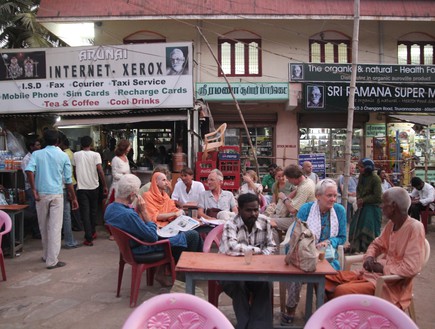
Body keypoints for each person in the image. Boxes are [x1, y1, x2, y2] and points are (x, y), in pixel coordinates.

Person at [325, 187, 425, 312]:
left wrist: (382, 268)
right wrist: (369, 257)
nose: (381, 206)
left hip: (389, 285)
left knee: (341, 290)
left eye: (384, 203)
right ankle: (338, 315)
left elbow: (411, 268)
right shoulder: (392, 223)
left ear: (393, 206)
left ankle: (344, 317)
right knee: (325, 278)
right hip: (370, 275)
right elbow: (376, 244)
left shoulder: (415, 228)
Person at [104, 174, 202, 286]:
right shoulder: (128, 214)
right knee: (192, 236)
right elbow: (152, 237)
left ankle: (180, 272)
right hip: (142, 248)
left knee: (184, 235)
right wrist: (144, 212)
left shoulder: (110, 208)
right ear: (132, 195)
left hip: (131, 247)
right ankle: (186, 274)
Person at [281, 179, 347, 325]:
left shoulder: (339, 210)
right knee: (295, 276)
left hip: (327, 256)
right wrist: (310, 244)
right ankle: (290, 310)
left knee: (329, 278)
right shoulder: (306, 209)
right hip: (304, 253)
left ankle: (325, 313)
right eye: (329, 196)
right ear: (318, 196)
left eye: (335, 196)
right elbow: (297, 233)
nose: (333, 199)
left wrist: (329, 242)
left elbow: (342, 237)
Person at [219, 193, 276, 329]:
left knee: (265, 284)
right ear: (239, 210)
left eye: (256, 209)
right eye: (248, 210)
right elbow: (231, 248)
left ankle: (258, 326)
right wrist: (257, 251)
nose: (253, 213)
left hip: (255, 272)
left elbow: (272, 247)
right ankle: (245, 325)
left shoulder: (265, 222)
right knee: (239, 285)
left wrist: (255, 255)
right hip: (228, 272)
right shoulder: (230, 224)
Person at [25, 129, 78, 270]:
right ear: (58, 142)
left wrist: (34, 190)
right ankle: (52, 260)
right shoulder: (63, 156)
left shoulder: (36, 154)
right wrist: (73, 198)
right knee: (54, 227)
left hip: (41, 194)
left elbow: (29, 170)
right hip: (57, 194)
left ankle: (46, 255)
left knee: (43, 226)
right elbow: (68, 181)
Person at [73, 136, 108, 246]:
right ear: (91, 144)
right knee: (93, 211)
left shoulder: (76, 155)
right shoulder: (96, 155)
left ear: (81, 144)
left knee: (85, 212)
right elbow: (100, 170)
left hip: (82, 188)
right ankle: (92, 233)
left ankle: (89, 237)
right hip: (94, 186)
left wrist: (78, 179)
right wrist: (105, 185)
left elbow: (74, 170)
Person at [271, 164, 316, 245]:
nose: (288, 181)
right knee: (273, 217)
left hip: (301, 221)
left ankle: (276, 249)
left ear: (294, 178)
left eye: (288, 179)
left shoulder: (304, 188)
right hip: (303, 217)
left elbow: (293, 210)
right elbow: (294, 194)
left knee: (270, 222)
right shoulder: (307, 181)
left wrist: (284, 198)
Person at [349, 158, 382, 253]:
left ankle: (370, 249)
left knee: (368, 226)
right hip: (361, 205)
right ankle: (357, 247)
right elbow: (358, 189)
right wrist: (359, 198)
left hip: (372, 207)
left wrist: (364, 200)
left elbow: (377, 197)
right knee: (355, 225)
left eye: (361, 167)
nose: (359, 169)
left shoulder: (376, 179)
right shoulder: (361, 176)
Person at [58, 135, 81, 250]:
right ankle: (69, 240)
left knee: (64, 215)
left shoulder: (65, 154)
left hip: (65, 186)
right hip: (69, 184)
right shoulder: (68, 153)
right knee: (67, 214)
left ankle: (59, 241)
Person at [22, 136, 41, 239]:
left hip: (38, 187)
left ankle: (37, 231)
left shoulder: (37, 157)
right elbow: (29, 176)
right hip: (31, 188)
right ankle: (35, 232)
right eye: (37, 145)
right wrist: (34, 189)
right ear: (31, 147)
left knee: (37, 210)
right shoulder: (26, 159)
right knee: (33, 211)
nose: (39, 147)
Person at [108, 139, 131, 203]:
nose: (130, 148)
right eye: (129, 146)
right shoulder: (115, 159)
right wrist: (125, 176)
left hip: (125, 186)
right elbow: (115, 175)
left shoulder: (126, 158)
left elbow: (128, 171)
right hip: (117, 187)